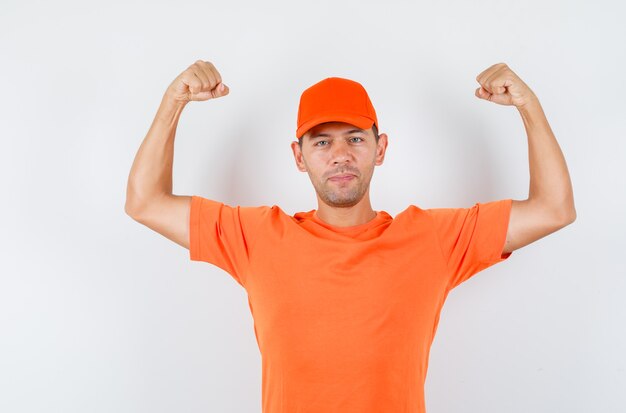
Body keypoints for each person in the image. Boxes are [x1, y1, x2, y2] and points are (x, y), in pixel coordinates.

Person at [125, 60, 576, 413]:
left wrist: (528, 105)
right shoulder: (257, 236)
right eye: (321, 142)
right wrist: (172, 101)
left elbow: (553, 209)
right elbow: (144, 201)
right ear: (299, 158)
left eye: (355, 139)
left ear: (380, 149)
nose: (340, 155)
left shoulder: (433, 238)